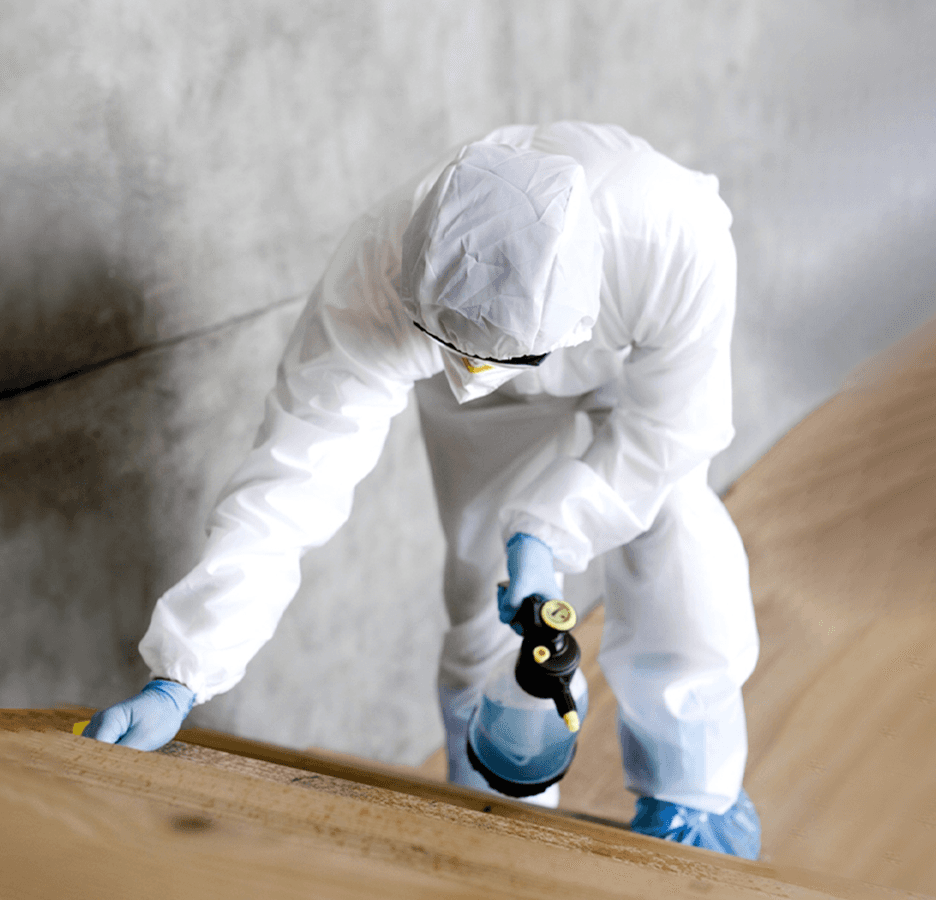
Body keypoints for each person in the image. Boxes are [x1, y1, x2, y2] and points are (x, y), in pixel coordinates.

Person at [82, 121, 761, 859]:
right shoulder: (378, 271)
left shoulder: (670, 234)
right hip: (477, 387)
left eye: (498, 359)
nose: (477, 374)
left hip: (628, 372)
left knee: (676, 525)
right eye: (458, 351)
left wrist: (546, 532)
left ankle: (694, 799)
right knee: (480, 589)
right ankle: (495, 823)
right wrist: (181, 675)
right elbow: (294, 475)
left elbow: (668, 435)